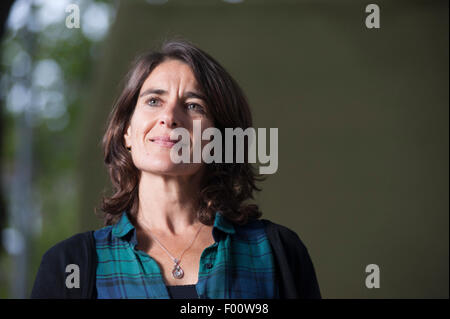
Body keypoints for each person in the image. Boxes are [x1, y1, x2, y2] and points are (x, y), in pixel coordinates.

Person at [30, 39, 321, 299]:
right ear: (127, 132)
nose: (169, 117)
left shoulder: (277, 253)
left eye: (194, 106)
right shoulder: (69, 265)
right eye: (153, 101)